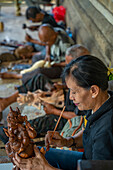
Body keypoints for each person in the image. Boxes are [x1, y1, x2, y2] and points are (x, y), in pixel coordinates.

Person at [13, 55, 113, 170]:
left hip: (90, 165)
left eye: (74, 92)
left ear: (94, 91)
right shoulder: (101, 103)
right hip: (87, 160)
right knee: (40, 153)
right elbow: (89, 134)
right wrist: (67, 141)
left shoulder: (106, 132)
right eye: (70, 90)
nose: (70, 97)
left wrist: (45, 168)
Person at [0, 44, 90, 144]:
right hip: (65, 100)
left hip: (68, 114)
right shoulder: (78, 74)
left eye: (69, 64)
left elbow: (79, 117)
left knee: (44, 122)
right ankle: (6, 101)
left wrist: (54, 111)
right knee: (39, 79)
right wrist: (61, 87)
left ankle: (10, 134)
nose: (66, 66)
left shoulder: (87, 85)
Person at [0, 24, 74, 86]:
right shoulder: (53, 31)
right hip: (54, 57)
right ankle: (31, 71)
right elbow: (47, 44)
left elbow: (70, 63)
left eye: (47, 42)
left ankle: (18, 76)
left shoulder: (65, 45)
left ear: (54, 36)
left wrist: (56, 64)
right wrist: (47, 54)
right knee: (36, 57)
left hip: (62, 67)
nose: (46, 44)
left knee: (39, 71)